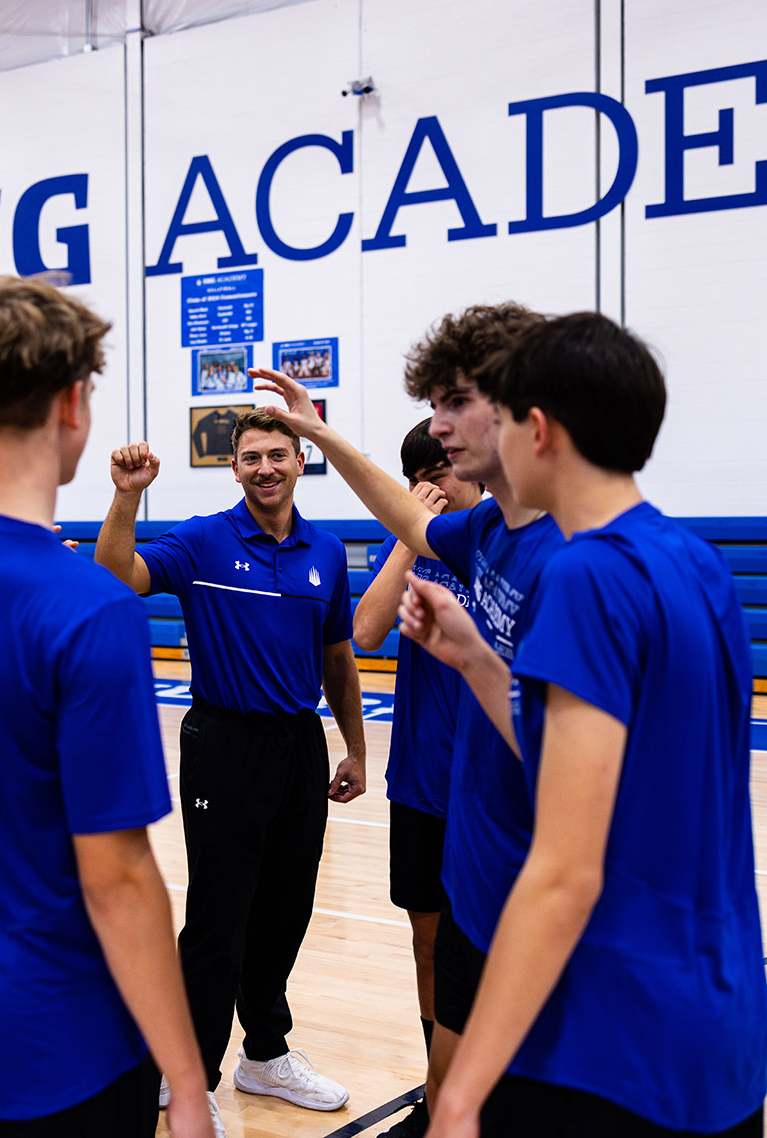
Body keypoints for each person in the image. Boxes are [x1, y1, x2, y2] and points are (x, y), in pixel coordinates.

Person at [395, 312, 766, 1138]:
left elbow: (565, 871)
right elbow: (603, 770)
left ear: (538, 427)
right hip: (720, 1023)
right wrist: (480, 663)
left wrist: (459, 1094)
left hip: (612, 1043)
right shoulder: (692, 559)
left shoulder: (583, 577)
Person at [0, 275, 212, 1138]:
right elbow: (120, 877)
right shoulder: (88, 608)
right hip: (64, 1052)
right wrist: (189, 1082)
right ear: (71, 401)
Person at [251, 302, 564, 1109]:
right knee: (452, 993)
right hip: (455, 812)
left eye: (455, 404)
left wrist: (474, 660)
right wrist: (316, 434)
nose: (440, 428)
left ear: (525, 409)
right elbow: (397, 532)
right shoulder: (489, 531)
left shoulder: (591, 563)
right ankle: (441, 1105)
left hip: (528, 847)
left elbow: (580, 761)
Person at [95, 409, 366, 1133]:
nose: (265, 468)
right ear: (234, 467)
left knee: (286, 909)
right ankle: (187, 1076)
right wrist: (126, 497)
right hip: (224, 743)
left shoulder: (328, 552)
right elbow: (117, 577)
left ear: (300, 461)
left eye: (278, 454)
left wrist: (356, 749)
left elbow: (338, 658)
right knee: (218, 920)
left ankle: (266, 1054)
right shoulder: (202, 538)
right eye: (251, 457)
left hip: (300, 747)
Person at [353, 419, 482, 1137]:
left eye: (451, 468)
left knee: (490, 942)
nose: (447, 483)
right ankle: (440, 1087)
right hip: (422, 783)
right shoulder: (411, 555)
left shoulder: (498, 546)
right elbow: (366, 631)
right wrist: (411, 531)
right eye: (432, 475)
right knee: (428, 939)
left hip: (489, 791)